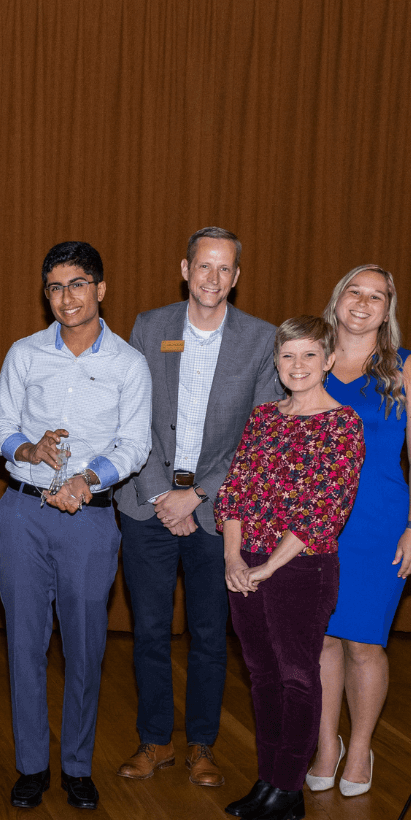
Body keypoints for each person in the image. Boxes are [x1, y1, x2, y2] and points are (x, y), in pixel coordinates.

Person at [114, 227, 281, 790]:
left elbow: (259, 434)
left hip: (219, 512)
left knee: (212, 634)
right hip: (148, 503)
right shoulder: (148, 326)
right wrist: (164, 492)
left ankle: (202, 744)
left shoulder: (262, 341)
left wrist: (198, 493)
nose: (213, 279)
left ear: (236, 276)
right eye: (203, 267)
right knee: (151, 631)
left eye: (224, 269)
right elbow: (131, 417)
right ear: (185, 270)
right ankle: (156, 740)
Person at [0, 242, 152, 810]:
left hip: (90, 519)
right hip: (22, 514)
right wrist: (26, 448)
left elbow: (134, 444)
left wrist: (88, 480)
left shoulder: (129, 364)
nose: (67, 298)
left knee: (85, 647)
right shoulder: (25, 353)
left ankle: (77, 766)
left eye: (78, 284)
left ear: (100, 289)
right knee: (25, 644)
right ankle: (32, 765)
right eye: (55, 287)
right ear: (46, 295)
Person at [216, 316, 364, 820]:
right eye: (287, 356)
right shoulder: (263, 417)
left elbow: (323, 509)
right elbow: (234, 492)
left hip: (301, 568)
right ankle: (269, 779)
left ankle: (287, 785)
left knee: (298, 677)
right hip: (246, 564)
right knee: (261, 676)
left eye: (308, 356)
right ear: (276, 362)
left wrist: (268, 568)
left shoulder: (342, 423)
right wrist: (236, 560)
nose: (297, 366)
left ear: (327, 361)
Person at [307, 266, 411, 798]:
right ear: (337, 300)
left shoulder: (409, 370)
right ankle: (324, 745)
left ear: (388, 309)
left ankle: (359, 746)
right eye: (354, 293)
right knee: (318, 640)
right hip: (313, 522)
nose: (363, 303)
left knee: (363, 642)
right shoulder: (308, 359)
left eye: (376, 296)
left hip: (380, 522)